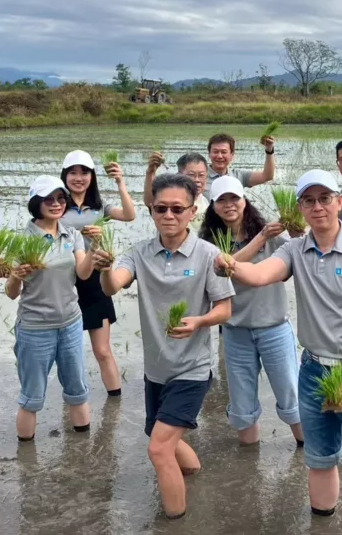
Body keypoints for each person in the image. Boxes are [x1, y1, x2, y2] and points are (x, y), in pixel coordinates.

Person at [217, 170, 342, 535]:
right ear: (301, 209)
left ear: (340, 202)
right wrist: (229, 264)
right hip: (313, 372)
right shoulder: (296, 250)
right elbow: (260, 275)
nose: (318, 207)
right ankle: (322, 524)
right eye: (309, 201)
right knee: (320, 459)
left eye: (325, 198)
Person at [101, 173, 233, 519]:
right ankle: (192, 471)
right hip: (156, 368)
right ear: (151, 210)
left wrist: (200, 321)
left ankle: (174, 522)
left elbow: (225, 308)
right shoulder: (139, 253)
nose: (169, 215)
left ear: (193, 212)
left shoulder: (208, 255)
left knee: (158, 449)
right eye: (161, 208)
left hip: (192, 369)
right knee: (158, 435)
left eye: (178, 208)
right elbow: (113, 285)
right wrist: (102, 267)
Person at [198, 176, 304, 447]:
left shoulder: (271, 238)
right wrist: (261, 237)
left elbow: (301, 259)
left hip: (274, 328)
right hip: (236, 332)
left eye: (234, 198)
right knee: (242, 403)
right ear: (213, 206)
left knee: (290, 395)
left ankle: (309, 453)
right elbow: (224, 267)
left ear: (245, 201)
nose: (229, 204)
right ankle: (247, 468)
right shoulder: (209, 243)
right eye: (221, 200)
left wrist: (296, 234)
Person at [6, 175, 107, 440]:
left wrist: (95, 247)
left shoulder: (70, 234)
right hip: (35, 328)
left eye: (60, 198)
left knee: (77, 389)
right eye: (48, 199)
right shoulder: (22, 240)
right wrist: (16, 274)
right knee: (32, 396)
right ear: (36, 202)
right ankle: (27, 466)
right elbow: (10, 293)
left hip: (71, 323)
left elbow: (83, 274)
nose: (56, 204)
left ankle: (82, 456)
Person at [59, 150, 135, 398]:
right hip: (63, 282)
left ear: (92, 176)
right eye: (73, 172)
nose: (78, 178)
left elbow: (129, 214)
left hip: (94, 284)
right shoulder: (55, 205)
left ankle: (115, 404)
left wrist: (120, 182)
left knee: (102, 350)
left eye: (84, 172)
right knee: (67, 352)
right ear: (64, 176)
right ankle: (73, 400)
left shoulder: (99, 208)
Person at [143, 151, 209, 230]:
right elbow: (150, 201)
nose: (197, 180)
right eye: (191, 175)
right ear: (179, 175)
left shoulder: (205, 201)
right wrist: (150, 173)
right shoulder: (170, 199)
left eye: (201, 175)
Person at [206, 132, 276, 188]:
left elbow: (267, 176)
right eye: (215, 152)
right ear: (209, 154)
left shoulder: (239, 176)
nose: (219, 156)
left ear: (232, 155)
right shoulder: (200, 176)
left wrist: (269, 150)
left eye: (224, 152)